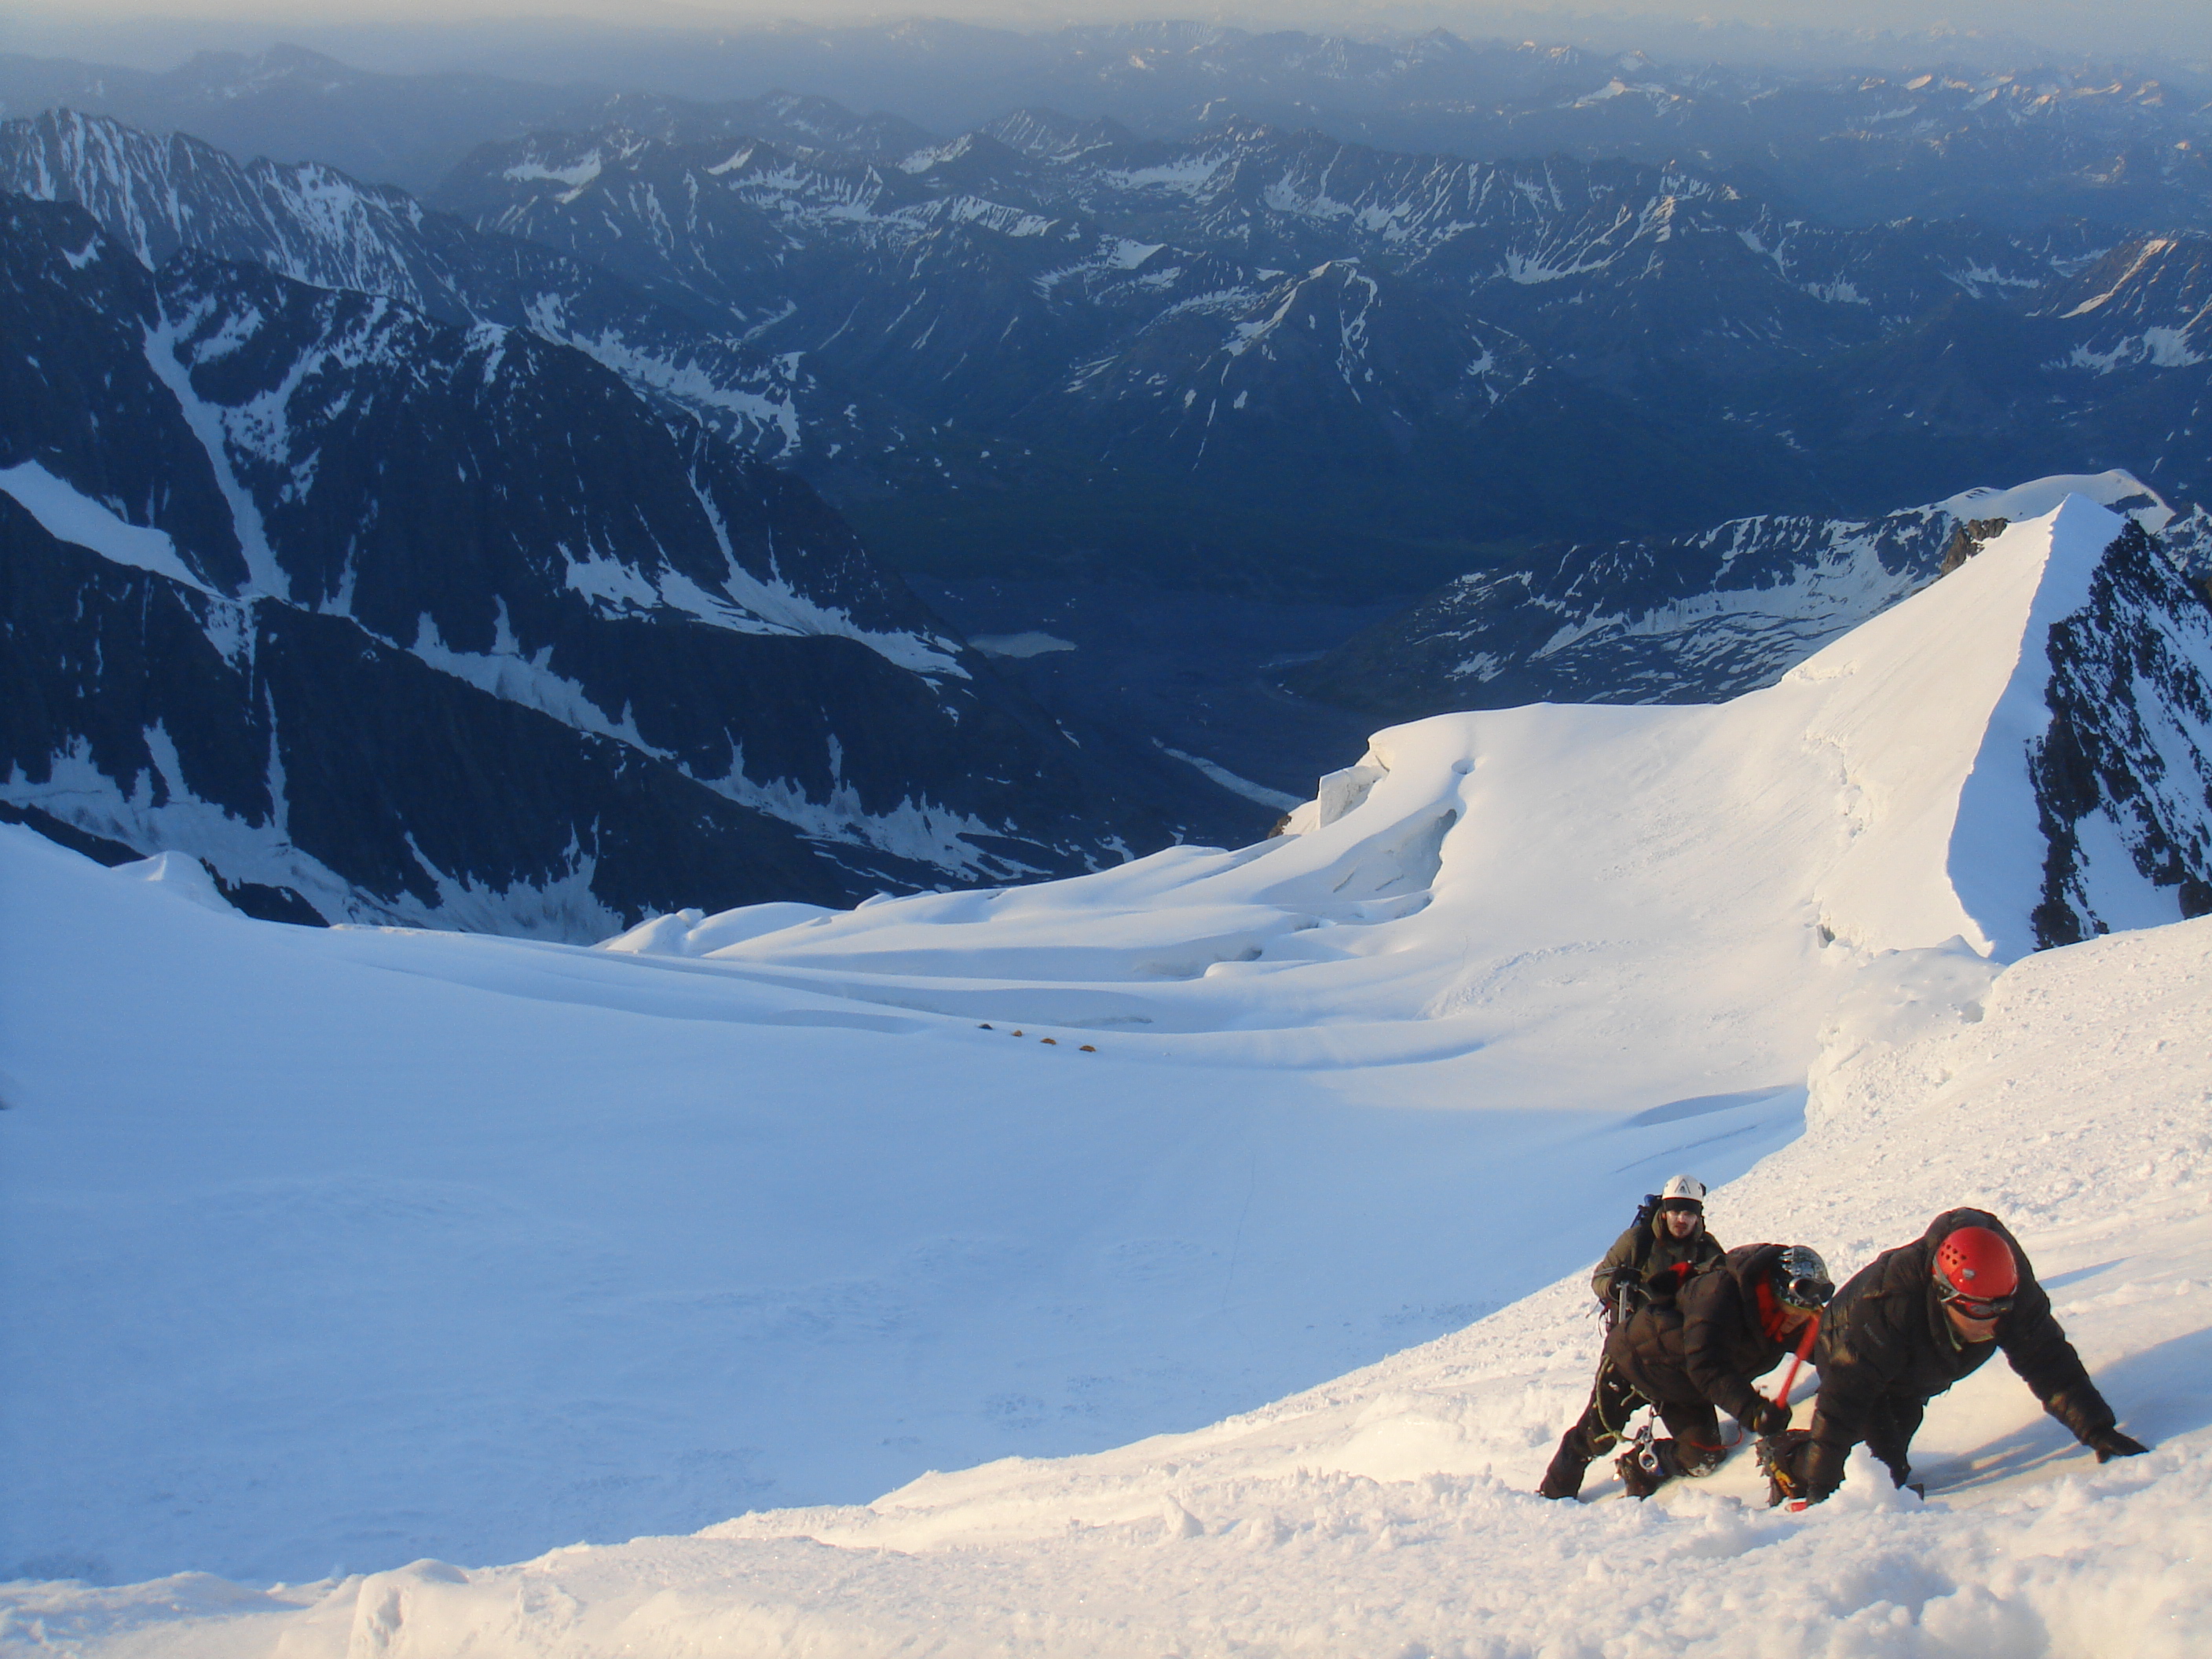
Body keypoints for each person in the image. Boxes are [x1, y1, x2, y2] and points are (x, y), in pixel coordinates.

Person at [1773, 1209, 2149, 1505]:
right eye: (1982, 1313)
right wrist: (1821, 1489)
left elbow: (2048, 1360)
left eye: (2002, 1309)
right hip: (1846, 1349)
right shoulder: (1888, 1308)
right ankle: (1785, 1458)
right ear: (1944, 1294)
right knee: (1877, 1471)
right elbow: (1841, 1405)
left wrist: (2097, 1430)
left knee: (1892, 1449)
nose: (1995, 1323)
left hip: (1914, 1370)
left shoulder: (2006, 1287)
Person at [1540, 1241, 1833, 1500]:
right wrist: (1754, 1410)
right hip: (1635, 1363)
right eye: (1795, 1316)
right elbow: (1708, 1364)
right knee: (1595, 1437)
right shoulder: (1719, 1294)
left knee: (1702, 1457)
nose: (1799, 1324)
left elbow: (1823, 1347)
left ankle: (1642, 1465)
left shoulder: (1783, 1317)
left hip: (1684, 1387)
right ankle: (1552, 1496)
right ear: (1777, 1296)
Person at [1591, 1175, 1726, 1331]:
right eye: (1675, 1212)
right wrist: (1613, 1286)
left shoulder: (1707, 1249)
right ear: (1664, 1213)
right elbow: (1599, 1278)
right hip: (1635, 1335)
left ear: (1697, 1217)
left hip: (1684, 1337)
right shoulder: (1636, 1241)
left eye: (1688, 1214)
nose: (1681, 1219)